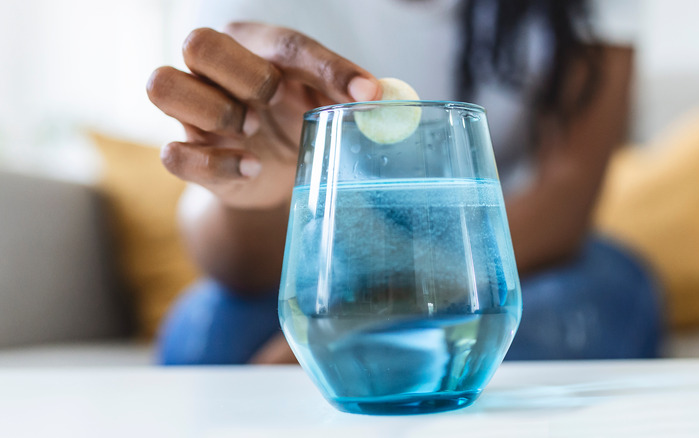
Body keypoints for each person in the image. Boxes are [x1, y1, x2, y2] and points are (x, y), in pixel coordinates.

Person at [146, 0, 661, 364]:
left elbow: (565, 199)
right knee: (211, 332)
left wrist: (390, 307)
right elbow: (233, 264)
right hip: (328, 247)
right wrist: (264, 186)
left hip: (510, 253)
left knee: (576, 306)